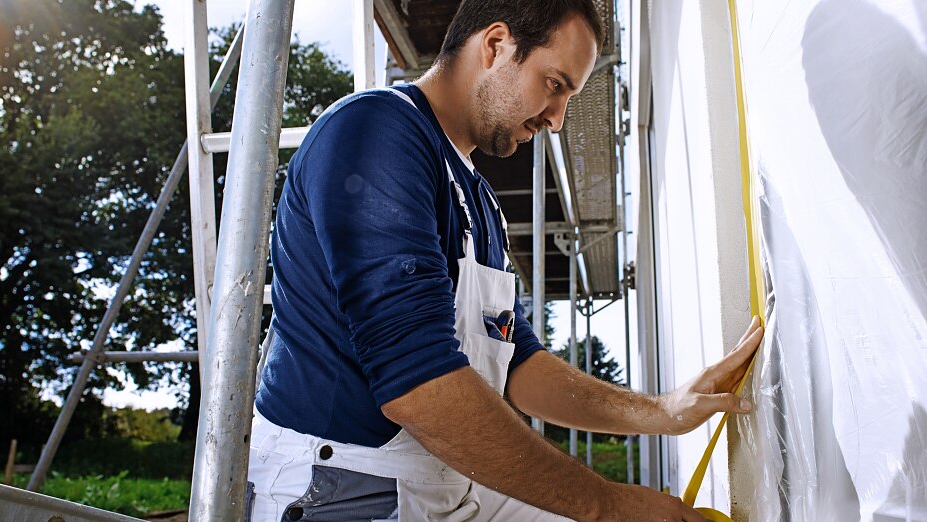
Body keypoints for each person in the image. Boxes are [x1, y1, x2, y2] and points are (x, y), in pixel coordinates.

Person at [247, 0, 764, 520]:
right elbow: (417, 385)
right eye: (555, 84)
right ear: (496, 45)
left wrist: (663, 412)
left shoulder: (479, 203)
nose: (558, 120)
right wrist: (609, 505)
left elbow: (518, 363)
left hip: (443, 476)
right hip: (343, 487)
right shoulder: (375, 134)